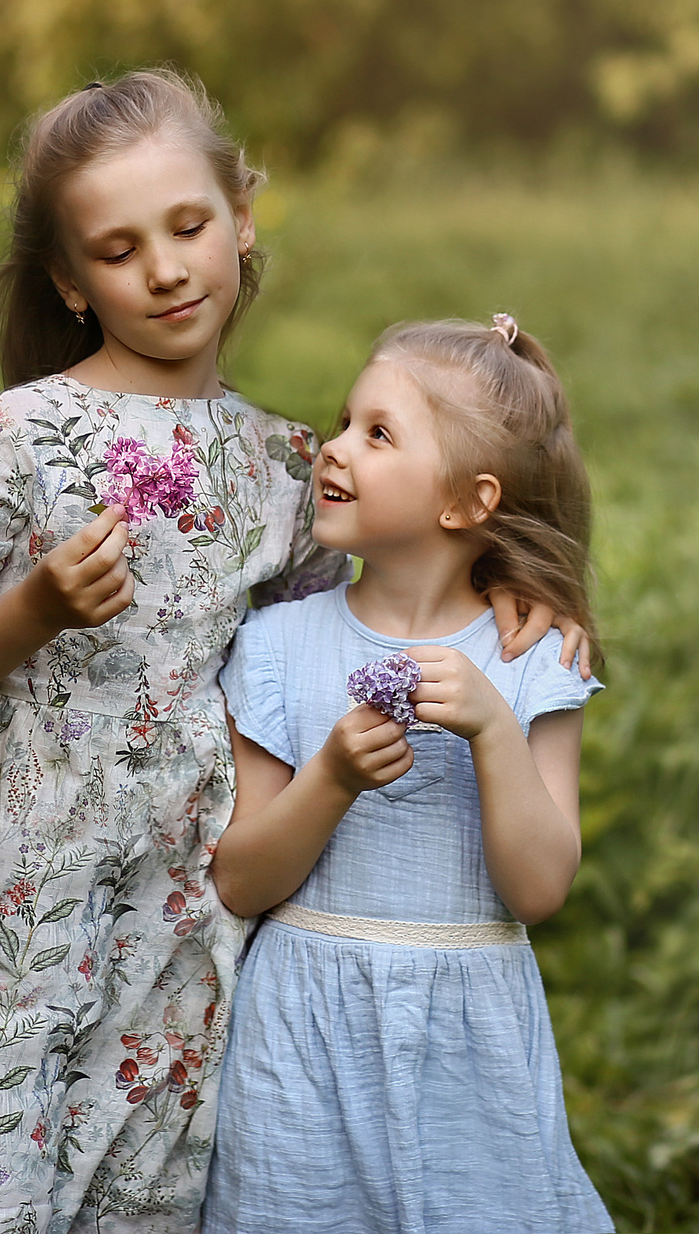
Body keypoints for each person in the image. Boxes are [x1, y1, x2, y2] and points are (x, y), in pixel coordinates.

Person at [0, 72, 579, 1232]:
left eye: (188, 227)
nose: (165, 269)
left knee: (138, 1195)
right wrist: (34, 610)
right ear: (70, 282)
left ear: (239, 220)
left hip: (180, 909)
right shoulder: (24, 436)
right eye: (118, 249)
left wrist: (510, 593)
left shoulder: (284, 467)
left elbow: (374, 604)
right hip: (2, 890)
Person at [204, 315, 615, 1234]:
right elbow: (240, 878)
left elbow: (540, 887)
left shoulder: (531, 658)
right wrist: (332, 777)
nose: (335, 448)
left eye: (379, 434)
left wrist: (493, 729)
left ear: (468, 501)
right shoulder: (277, 644)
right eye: (344, 421)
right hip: (302, 1038)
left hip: (469, 1044)